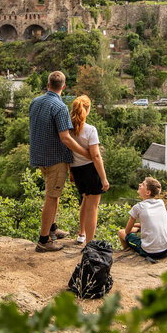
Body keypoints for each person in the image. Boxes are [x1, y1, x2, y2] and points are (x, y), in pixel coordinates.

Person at [29, 71, 90, 252]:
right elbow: (66, 138)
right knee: (52, 197)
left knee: (53, 193)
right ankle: (44, 240)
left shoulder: (35, 102)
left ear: (48, 85)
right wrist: (86, 153)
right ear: (63, 87)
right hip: (54, 159)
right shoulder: (60, 107)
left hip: (39, 156)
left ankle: (53, 228)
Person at [69, 95, 110, 244]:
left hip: (77, 170)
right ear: (87, 110)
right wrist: (104, 178)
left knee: (85, 200)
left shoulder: (69, 130)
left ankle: (82, 234)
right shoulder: (90, 130)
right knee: (93, 208)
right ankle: (90, 244)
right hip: (91, 171)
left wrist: (71, 172)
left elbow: (68, 153)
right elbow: (96, 157)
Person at [117, 177, 167, 260]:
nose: (139, 184)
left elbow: (127, 231)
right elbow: (152, 224)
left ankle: (127, 252)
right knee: (135, 230)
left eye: (143, 184)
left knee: (121, 232)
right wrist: (138, 227)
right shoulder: (161, 203)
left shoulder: (138, 207)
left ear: (148, 192)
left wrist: (135, 227)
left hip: (152, 253)